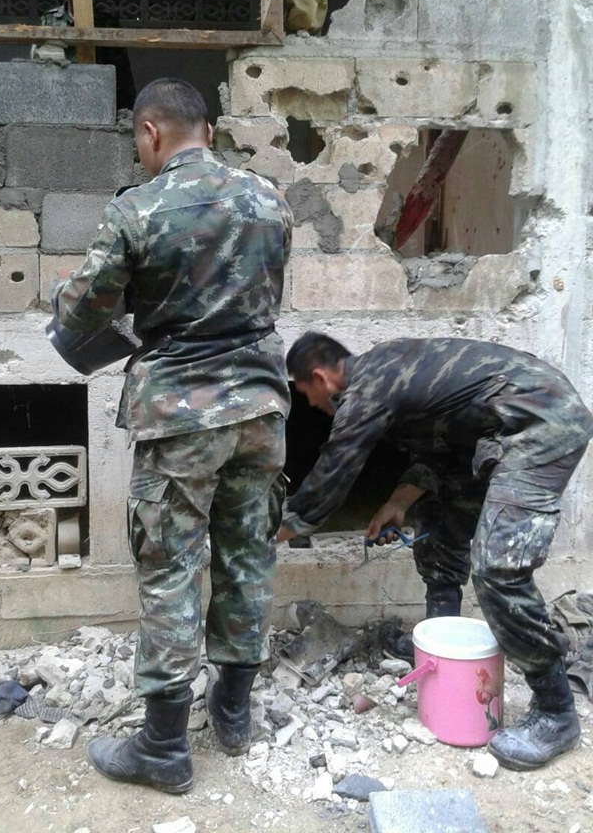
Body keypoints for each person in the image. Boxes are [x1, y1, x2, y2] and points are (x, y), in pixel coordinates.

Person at [51, 78, 293, 793]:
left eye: (138, 142)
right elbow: (261, 292)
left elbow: (81, 314)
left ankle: (163, 747)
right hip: (260, 408)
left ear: (150, 133)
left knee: (170, 570)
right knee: (248, 557)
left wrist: (80, 293)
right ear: (208, 131)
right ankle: (234, 713)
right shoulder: (269, 199)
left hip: (181, 417)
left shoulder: (137, 208)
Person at [278, 331, 593, 772]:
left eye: (305, 394)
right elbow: (444, 447)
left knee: (498, 569)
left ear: (319, 378)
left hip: (541, 422)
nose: (311, 405)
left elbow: (335, 468)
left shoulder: (369, 385)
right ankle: (438, 649)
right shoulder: (390, 372)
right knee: (438, 520)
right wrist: (398, 501)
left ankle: (556, 711)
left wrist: (279, 529)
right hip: (496, 429)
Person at [37, 0, 136, 109]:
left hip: (97, 102)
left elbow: (122, 75)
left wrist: (125, 112)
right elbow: (37, 66)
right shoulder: (50, 20)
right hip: (58, 102)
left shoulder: (105, 22)